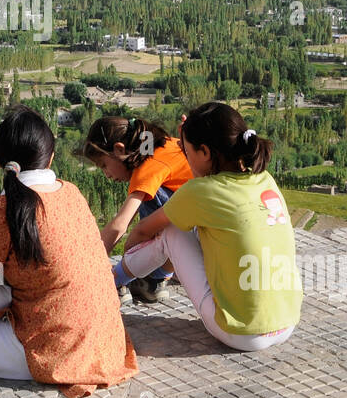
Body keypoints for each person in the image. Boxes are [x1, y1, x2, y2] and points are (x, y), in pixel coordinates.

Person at [0, 105, 138, 398]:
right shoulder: (71, 192)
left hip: (55, 353)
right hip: (107, 344)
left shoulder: (4, 209)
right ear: (51, 157)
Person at [114, 102, 301, 352]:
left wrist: (128, 257)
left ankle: (112, 281)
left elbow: (143, 230)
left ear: (205, 152)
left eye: (187, 153)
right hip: (287, 322)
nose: (186, 161)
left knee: (171, 230)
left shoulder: (200, 191)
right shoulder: (265, 179)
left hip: (242, 333)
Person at [79, 115, 193, 303]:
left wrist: (92, 266)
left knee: (151, 195)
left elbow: (121, 224)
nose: (106, 174)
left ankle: (147, 279)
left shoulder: (149, 166)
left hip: (191, 234)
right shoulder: (164, 145)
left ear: (119, 149)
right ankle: (154, 279)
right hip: (200, 227)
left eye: (104, 165)